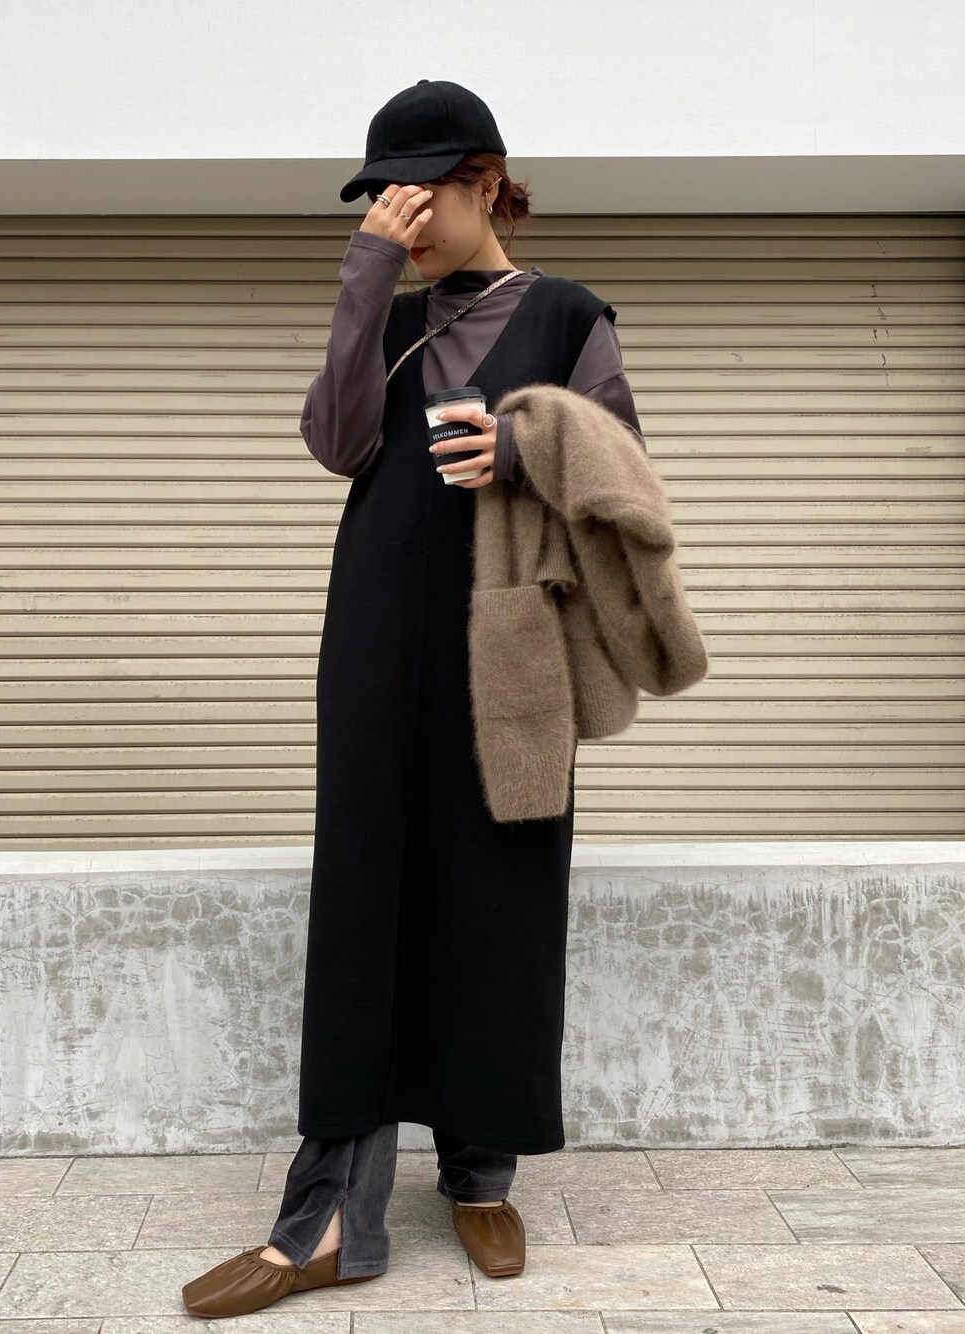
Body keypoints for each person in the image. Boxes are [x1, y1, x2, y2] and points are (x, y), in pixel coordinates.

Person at [181, 79, 646, 1321]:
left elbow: (626, 481)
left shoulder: (566, 315)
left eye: (420, 193)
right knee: (366, 900)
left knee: (497, 899)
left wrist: (525, 449)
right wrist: (361, 278)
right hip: (379, 647)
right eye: (383, 197)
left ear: (485, 182)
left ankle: (481, 1170)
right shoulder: (383, 315)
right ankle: (332, 1210)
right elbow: (337, 444)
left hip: (514, 663)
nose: (403, 215)